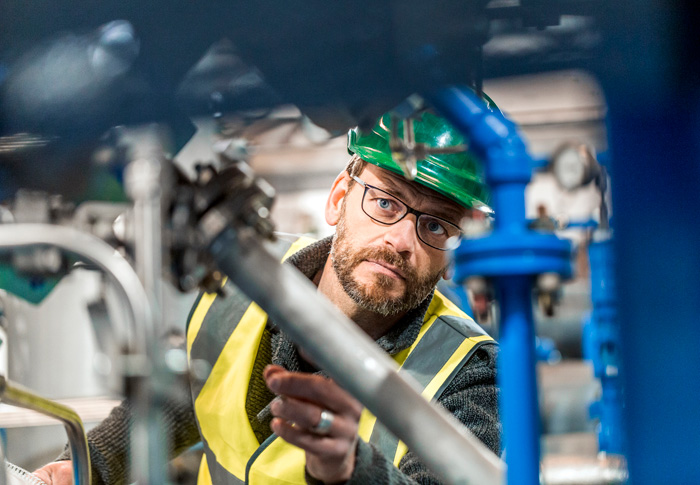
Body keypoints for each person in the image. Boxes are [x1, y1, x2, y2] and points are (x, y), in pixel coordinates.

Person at [34, 104, 500, 485]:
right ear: (339, 198)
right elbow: (186, 399)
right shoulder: (245, 272)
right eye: (385, 202)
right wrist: (87, 466)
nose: (401, 240)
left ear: (450, 257)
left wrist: (353, 471)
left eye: (435, 225)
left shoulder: (469, 372)